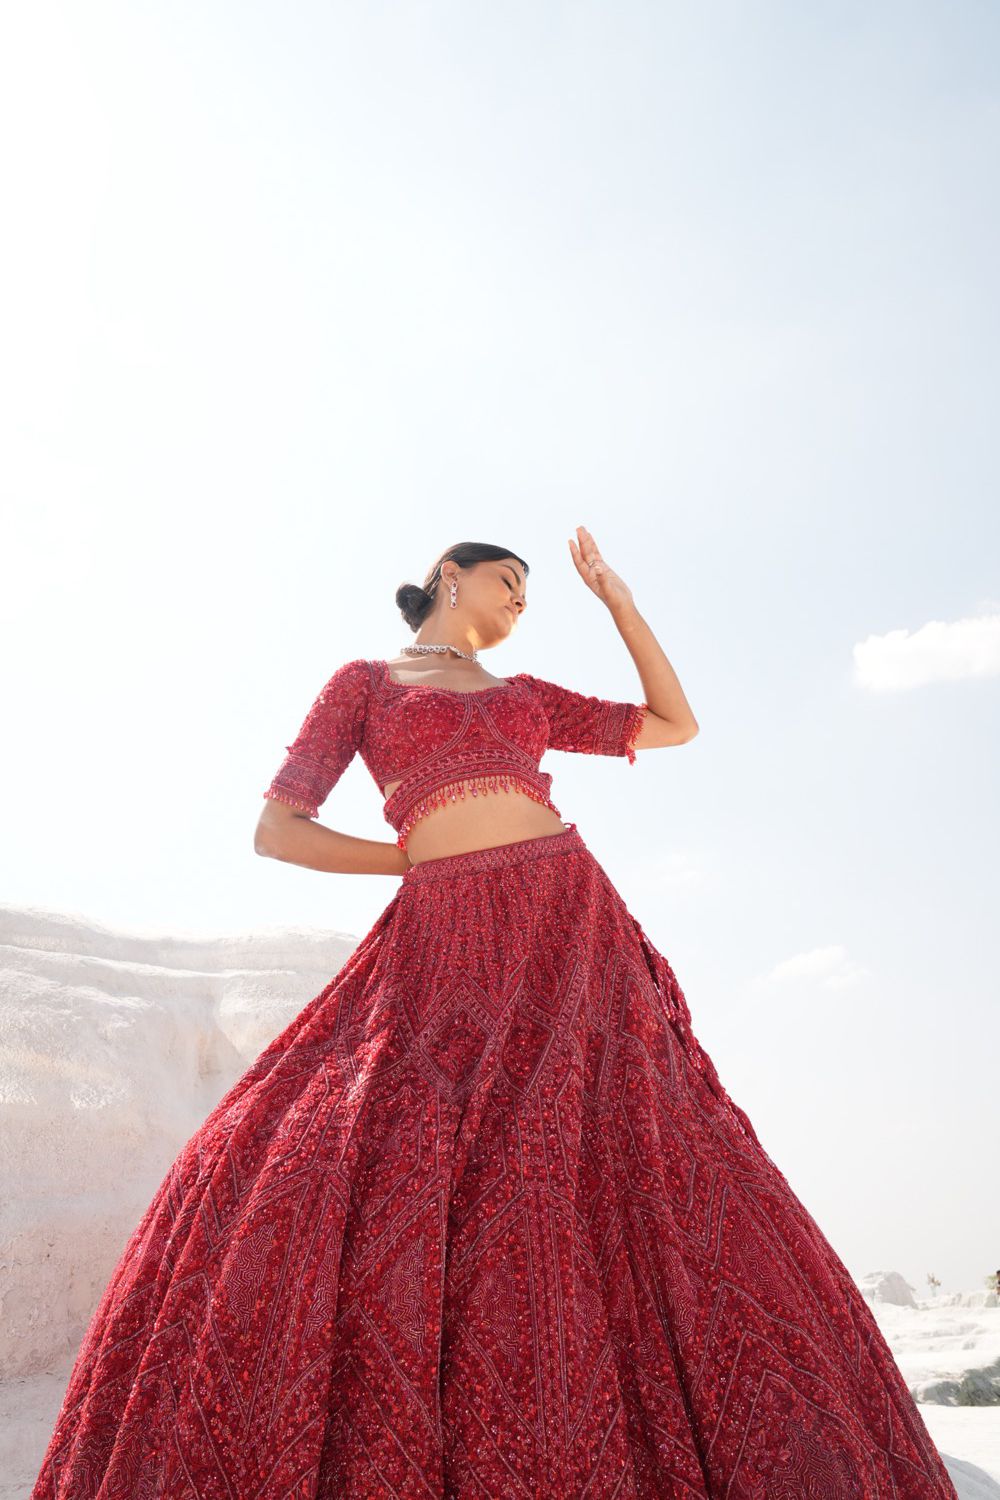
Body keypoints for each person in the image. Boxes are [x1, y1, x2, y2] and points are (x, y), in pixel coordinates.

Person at [31, 531, 957, 1497]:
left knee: (620, 1148)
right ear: (447, 577)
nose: (520, 599)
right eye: (506, 580)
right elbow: (279, 829)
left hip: (567, 920)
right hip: (447, 930)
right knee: (324, 1146)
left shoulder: (525, 698)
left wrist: (620, 604)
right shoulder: (367, 683)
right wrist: (421, 863)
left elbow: (673, 724)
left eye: (532, 591)